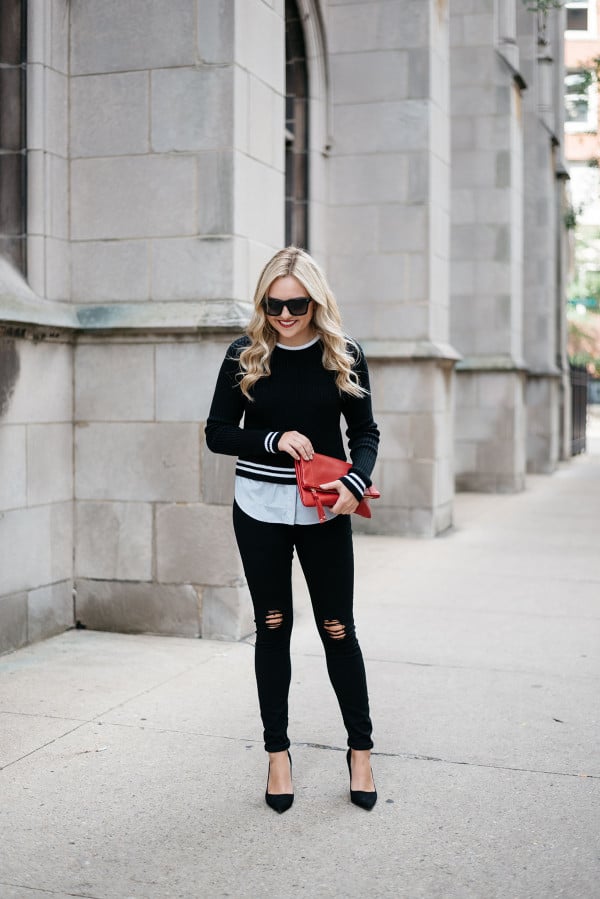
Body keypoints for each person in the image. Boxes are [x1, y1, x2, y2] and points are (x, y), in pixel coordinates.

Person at [205, 246, 379, 813]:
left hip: (326, 509)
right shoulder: (245, 354)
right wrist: (272, 440)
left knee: (336, 628)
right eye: (273, 305)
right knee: (273, 625)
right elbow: (217, 432)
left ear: (315, 300)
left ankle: (360, 750)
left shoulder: (342, 354)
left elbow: (366, 431)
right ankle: (277, 754)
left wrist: (358, 481)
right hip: (259, 507)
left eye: (296, 304)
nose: (284, 315)